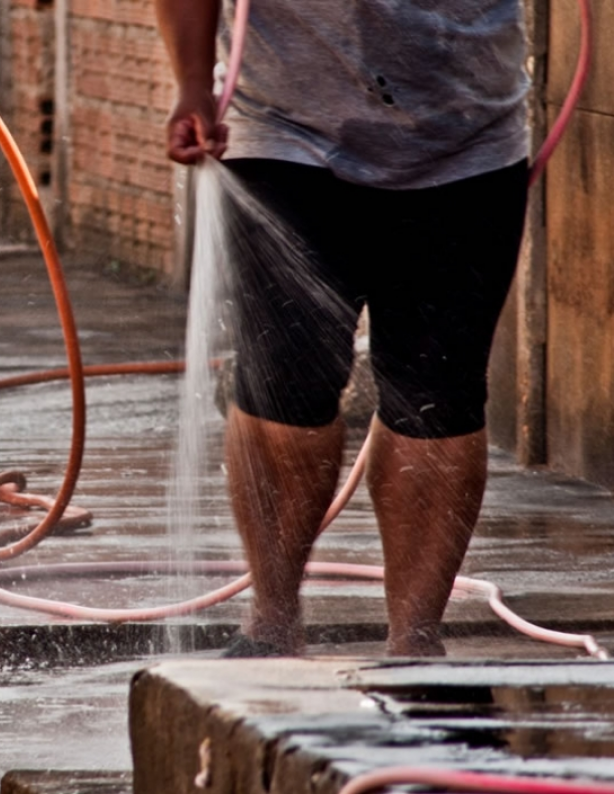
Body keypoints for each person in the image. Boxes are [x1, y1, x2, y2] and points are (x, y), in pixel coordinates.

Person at [157, 0, 530, 656]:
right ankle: (271, 623)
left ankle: (414, 644)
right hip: (283, 126)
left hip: (467, 133)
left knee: (438, 394)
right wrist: (192, 81)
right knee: (287, 381)